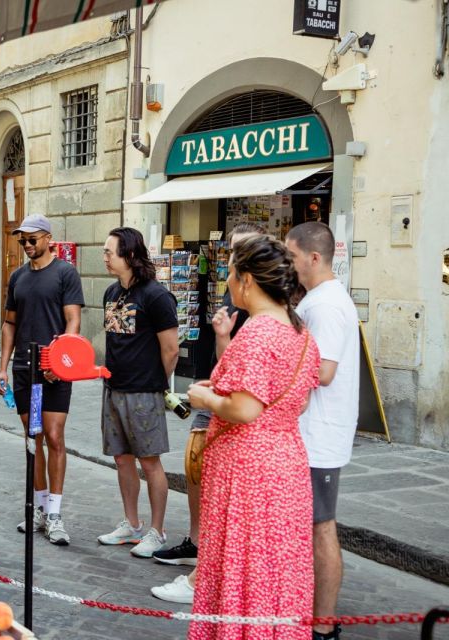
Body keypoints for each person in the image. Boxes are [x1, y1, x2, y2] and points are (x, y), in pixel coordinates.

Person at [185, 235, 321, 640]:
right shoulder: (298, 331)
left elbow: (246, 409)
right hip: (285, 463)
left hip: (249, 470)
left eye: (229, 273)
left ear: (247, 280)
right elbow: (296, 402)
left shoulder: (259, 331)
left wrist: (205, 395)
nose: (227, 281)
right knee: (275, 567)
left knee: (244, 561)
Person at [151, 222, 266, 604]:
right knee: (202, 478)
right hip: (242, 426)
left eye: (236, 259)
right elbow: (232, 365)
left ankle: (207, 577)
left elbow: (247, 407)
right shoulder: (253, 313)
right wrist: (221, 339)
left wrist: (208, 399)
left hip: (248, 439)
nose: (229, 267)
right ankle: (206, 559)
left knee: (228, 503)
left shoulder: (266, 326)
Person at [286, 222, 360, 640]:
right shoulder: (319, 300)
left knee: (321, 527)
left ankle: (324, 625)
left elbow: (325, 372)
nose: (290, 265)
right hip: (312, 435)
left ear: (314, 258)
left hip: (318, 437)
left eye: (293, 257)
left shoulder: (327, 305)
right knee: (313, 527)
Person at [0, 214, 84, 546]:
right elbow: (9, 325)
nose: (27, 246)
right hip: (25, 370)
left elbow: (73, 320)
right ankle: (40, 508)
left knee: (55, 435)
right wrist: (3, 367)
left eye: (32, 240)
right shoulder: (17, 277)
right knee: (33, 438)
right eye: (23, 241)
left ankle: (56, 514)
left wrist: (61, 361)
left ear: (48, 238)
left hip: (55, 369)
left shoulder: (65, 273)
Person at [96, 227, 178, 558]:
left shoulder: (156, 296)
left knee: (151, 462)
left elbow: (170, 349)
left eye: (108, 252)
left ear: (129, 255)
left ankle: (157, 531)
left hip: (144, 393)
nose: (104, 257)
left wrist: (156, 384)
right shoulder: (111, 293)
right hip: (113, 388)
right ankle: (132, 524)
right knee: (122, 459)